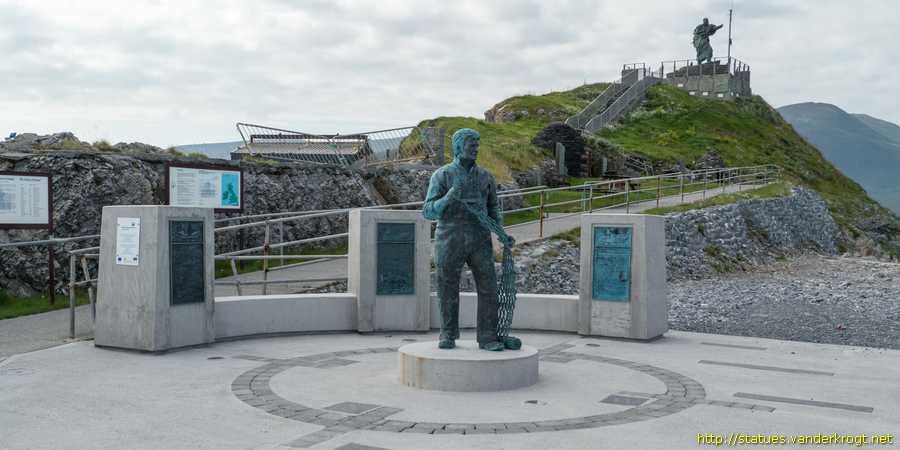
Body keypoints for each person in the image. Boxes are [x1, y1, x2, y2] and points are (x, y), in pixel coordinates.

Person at [423, 128, 520, 351]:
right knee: (447, 287)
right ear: (458, 147)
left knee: (489, 287)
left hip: (480, 238)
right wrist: (448, 198)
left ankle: (487, 336)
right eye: (471, 145)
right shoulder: (442, 175)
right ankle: (447, 334)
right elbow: (428, 211)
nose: (476, 149)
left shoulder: (486, 177)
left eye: (477, 145)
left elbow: (493, 209)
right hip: (449, 238)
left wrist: (501, 233)